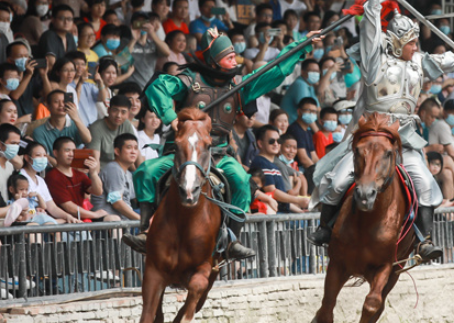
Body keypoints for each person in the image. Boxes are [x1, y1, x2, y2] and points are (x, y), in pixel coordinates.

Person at [309, 0, 454, 264]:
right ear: (397, 42)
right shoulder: (376, 62)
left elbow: (439, 60)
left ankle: (426, 241)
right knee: (336, 182)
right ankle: (325, 229)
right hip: (371, 133)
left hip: (404, 138)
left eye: (415, 42)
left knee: (424, 184)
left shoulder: (418, 62)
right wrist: (374, 0)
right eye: (410, 42)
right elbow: (371, 30)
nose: (415, 46)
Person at [123, 28, 319, 258]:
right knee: (146, 171)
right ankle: (146, 231)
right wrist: (172, 118)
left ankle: (231, 240)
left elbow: (275, 70)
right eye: (228, 57)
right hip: (186, 154)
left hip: (220, 154)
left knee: (243, 181)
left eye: (234, 55)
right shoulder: (188, 80)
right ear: (214, 62)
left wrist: (301, 44)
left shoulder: (239, 85)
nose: (234, 60)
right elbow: (158, 87)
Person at [89, 133, 140, 221]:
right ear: (117, 151)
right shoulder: (113, 169)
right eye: (129, 147)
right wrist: (141, 220)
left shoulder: (128, 173)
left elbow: (134, 199)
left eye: (135, 148)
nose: (133, 151)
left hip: (123, 220)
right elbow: (116, 202)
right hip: (106, 221)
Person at [87, 94, 139, 166]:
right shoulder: (96, 128)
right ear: (108, 110)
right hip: (103, 172)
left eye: (123, 112)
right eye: (115, 110)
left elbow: (133, 152)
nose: (118, 115)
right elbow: (95, 161)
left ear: (128, 114)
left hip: (122, 169)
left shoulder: (126, 124)